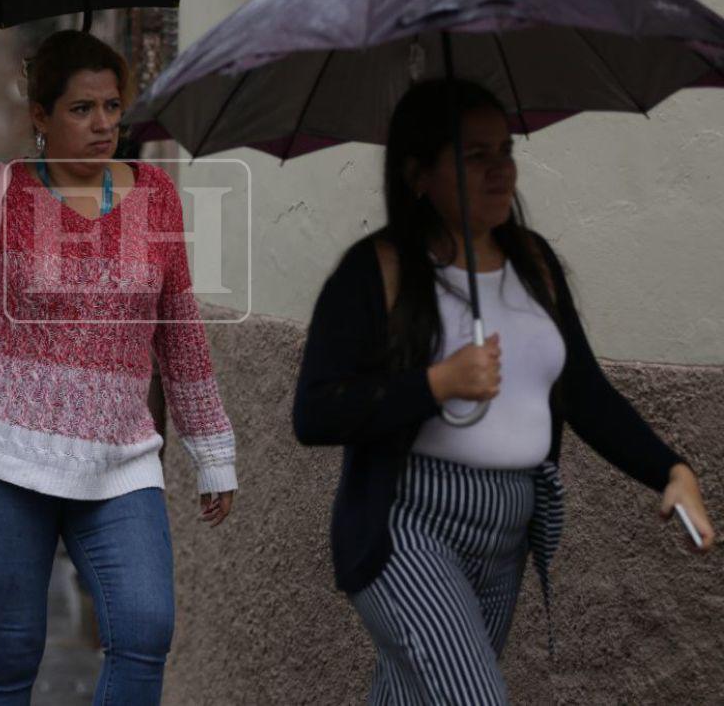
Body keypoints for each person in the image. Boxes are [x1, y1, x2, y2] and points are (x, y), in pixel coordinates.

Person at [293, 79, 715, 704]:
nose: (501, 171)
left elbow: (586, 393)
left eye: (505, 151)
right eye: (474, 157)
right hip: (407, 523)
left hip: (508, 526)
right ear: (419, 174)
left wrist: (670, 469)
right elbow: (315, 412)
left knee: (413, 695)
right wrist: (437, 383)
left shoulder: (533, 263)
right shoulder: (376, 269)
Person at [0, 29, 238, 705]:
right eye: (82, 109)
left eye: (112, 106)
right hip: (3, 459)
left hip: (120, 459)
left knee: (144, 631)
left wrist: (212, 450)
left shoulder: (157, 194)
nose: (103, 123)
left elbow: (180, 329)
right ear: (40, 117)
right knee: (10, 660)